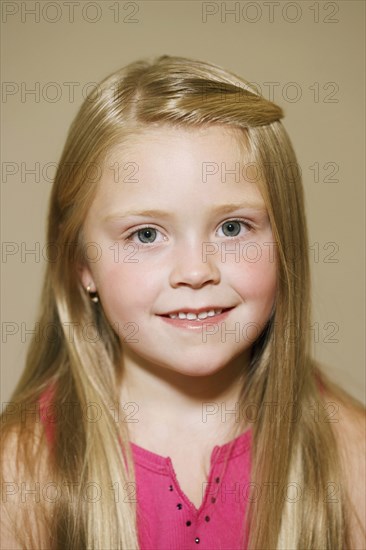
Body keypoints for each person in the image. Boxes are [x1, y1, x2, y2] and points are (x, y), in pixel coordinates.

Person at [1, 55, 365, 550]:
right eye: (146, 233)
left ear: (287, 244)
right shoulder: (22, 472)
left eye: (233, 227)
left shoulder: (348, 453)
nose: (196, 271)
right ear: (81, 265)